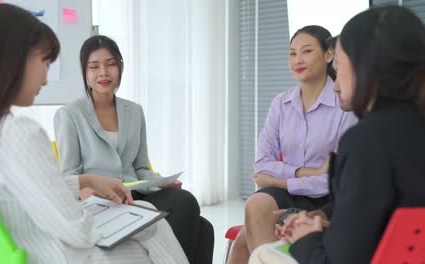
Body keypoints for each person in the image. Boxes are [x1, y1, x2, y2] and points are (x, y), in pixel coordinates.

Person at [0, 4, 188, 264]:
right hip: (60, 256)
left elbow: (25, 188)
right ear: (13, 59)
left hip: (17, 252)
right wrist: (113, 221)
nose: (46, 78)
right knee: (149, 225)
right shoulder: (20, 133)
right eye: (44, 61)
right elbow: (77, 231)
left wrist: (86, 180)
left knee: (147, 214)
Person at [254, 5, 425, 264]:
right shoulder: (410, 129)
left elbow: (338, 259)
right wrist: (326, 215)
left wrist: (304, 237)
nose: (335, 84)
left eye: (338, 65)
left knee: (262, 254)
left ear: (365, 67)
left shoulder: (366, 141)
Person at [54, 35, 214, 264]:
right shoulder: (70, 114)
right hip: (101, 199)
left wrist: (161, 182)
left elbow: (140, 167)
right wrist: (88, 189)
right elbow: (69, 174)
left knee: (186, 202)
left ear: (120, 66)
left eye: (110, 64)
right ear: (85, 72)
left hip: (134, 192)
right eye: (94, 66)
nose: (103, 72)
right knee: (201, 227)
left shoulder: (134, 111)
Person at [227, 25, 357, 264]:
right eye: (292, 53)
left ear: (328, 55)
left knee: (243, 245)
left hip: (328, 198)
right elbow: (262, 164)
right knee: (256, 204)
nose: (298, 60)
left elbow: (333, 177)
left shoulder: (344, 104)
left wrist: (278, 180)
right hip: (289, 195)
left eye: (307, 51)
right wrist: (303, 173)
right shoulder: (281, 103)